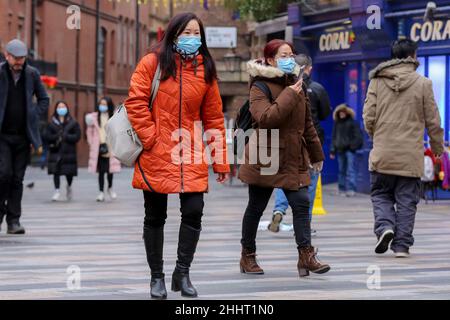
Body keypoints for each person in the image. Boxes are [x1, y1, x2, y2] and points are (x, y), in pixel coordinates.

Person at [125, 12, 229, 299]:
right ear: (173, 34)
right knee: (155, 215)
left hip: (191, 151)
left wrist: (220, 159)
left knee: (194, 211)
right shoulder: (152, 63)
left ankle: (182, 273)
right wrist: (151, 139)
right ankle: (156, 276)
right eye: (186, 33)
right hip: (156, 151)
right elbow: (135, 102)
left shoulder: (205, 68)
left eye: (197, 34)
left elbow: (214, 117)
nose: (192, 38)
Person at [238, 39, 330, 277]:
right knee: (256, 207)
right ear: (270, 59)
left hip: (293, 155)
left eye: (292, 54)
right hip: (265, 156)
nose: (290, 59)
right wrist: (289, 94)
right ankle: (247, 255)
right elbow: (267, 118)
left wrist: (317, 154)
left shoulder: (297, 84)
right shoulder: (260, 86)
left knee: (301, 203)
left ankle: (306, 256)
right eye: (284, 55)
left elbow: (307, 123)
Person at [363, 38, 444, 258]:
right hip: (410, 156)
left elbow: (368, 116)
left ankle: (385, 227)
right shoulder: (423, 83)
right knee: (407, 200)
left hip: (382, 153)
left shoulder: (377, 82)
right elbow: (433, 120)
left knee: (380, 194)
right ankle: (402, 246)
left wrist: (377, 137)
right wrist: (437, 146)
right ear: (413, 56)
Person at [269, 54, 331, 234]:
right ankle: (304, 224)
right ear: (309, 68)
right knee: (310, 183)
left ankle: (279, 209)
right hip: (312, 140)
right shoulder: (317, 88)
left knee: (286, 177)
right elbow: (325, 112)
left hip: (287, 141)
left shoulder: (283, 87)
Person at [0, 39, 49, 234]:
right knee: (4, 174)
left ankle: (13, 221)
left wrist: (33, 114)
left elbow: (44, 99)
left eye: (22, 58)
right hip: (3, 135)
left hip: (23, 137)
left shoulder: (32, 74)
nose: (19, 62)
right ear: (7, 56)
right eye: (16, 58)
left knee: (17, 179)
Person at [85, 97, 121, 202]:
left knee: (110, 171)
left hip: (111, 147)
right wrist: (91, 142)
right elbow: (89, 131)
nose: (102, 106)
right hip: (98, 147)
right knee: (101, 171)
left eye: (105, 104)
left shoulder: (115, 116)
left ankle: (110, 188)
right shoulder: (93, 117)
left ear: (109, 105)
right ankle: (101, 192)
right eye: (101, 104)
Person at [44, 101, 81, 201]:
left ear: (67, 108)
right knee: (56, 171)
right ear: (56, 109)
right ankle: (57, 190)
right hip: (56, 151)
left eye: (63, 106)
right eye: (59, 107)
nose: (61, 108)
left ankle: (69, 186)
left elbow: (77, 136)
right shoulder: (52, 122)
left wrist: (66, 136)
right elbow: (47, 136)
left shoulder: (72, 122)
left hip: (69, 152)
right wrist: (56, 136)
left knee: (69, 173)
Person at [330, 103, 363, 197]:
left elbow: (358, 137)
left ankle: (352, 189)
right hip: (340, 150)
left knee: (350, 170)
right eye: (340, 112)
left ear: (347, 113)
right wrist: (332, 150)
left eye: (343, 112)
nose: (341, 114)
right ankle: (341, 189)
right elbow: (334, 137)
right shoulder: (337, 123)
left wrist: (352, 147)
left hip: (349, 151)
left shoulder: (352, 122)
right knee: (341, 170)